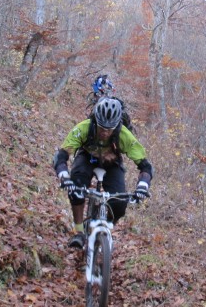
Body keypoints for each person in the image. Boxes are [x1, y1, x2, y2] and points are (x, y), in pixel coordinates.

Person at [53, 97, 153, 248]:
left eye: (109, 129)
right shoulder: (84, 128)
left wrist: (142, 186)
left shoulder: (124, 135)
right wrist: (64, 176)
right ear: (95, 122)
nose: (105, 132)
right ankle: (79, 231)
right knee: (76, 189)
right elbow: (61, 155)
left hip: (111, 164)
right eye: (101, 128)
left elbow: (145, 166)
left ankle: (104, 228)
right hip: (87, 158)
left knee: (120, 204)